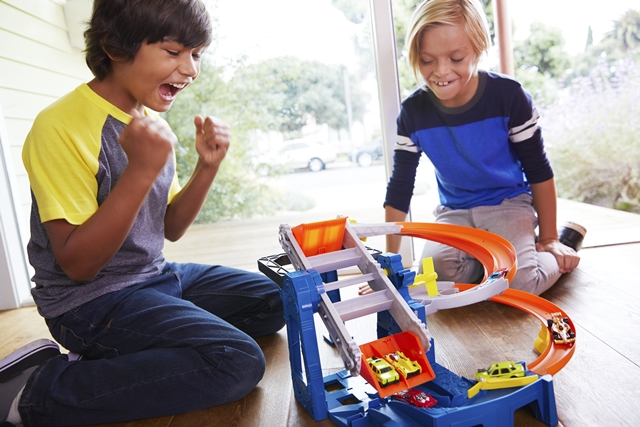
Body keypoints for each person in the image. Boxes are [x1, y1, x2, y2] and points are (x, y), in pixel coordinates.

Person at [1, 1, 284, 426]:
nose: (191, 69)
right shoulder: (59, 126)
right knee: (236, 361)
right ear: (115, 46)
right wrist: (140, 171)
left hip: (154, 276)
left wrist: (207, 166)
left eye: (197, 54)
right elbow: (78, 265)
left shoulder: (152, 126)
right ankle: (34, 391)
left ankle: (136, 350)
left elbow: (169, 227)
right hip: (89, 303)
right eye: (173, 52)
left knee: (274, 299)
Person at [379, 0, 582, 296]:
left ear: (478, 48)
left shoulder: (509, 96)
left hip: (508, 205)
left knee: (520, 284)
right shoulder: (413, 112)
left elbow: (538, 169)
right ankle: (494, 266)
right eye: (427, 60)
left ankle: (562, 244)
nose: (441, 71)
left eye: (456, 58)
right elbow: (400, 187)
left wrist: (549, 238)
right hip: (454, 211)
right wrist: (390, 265)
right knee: (437, 280)